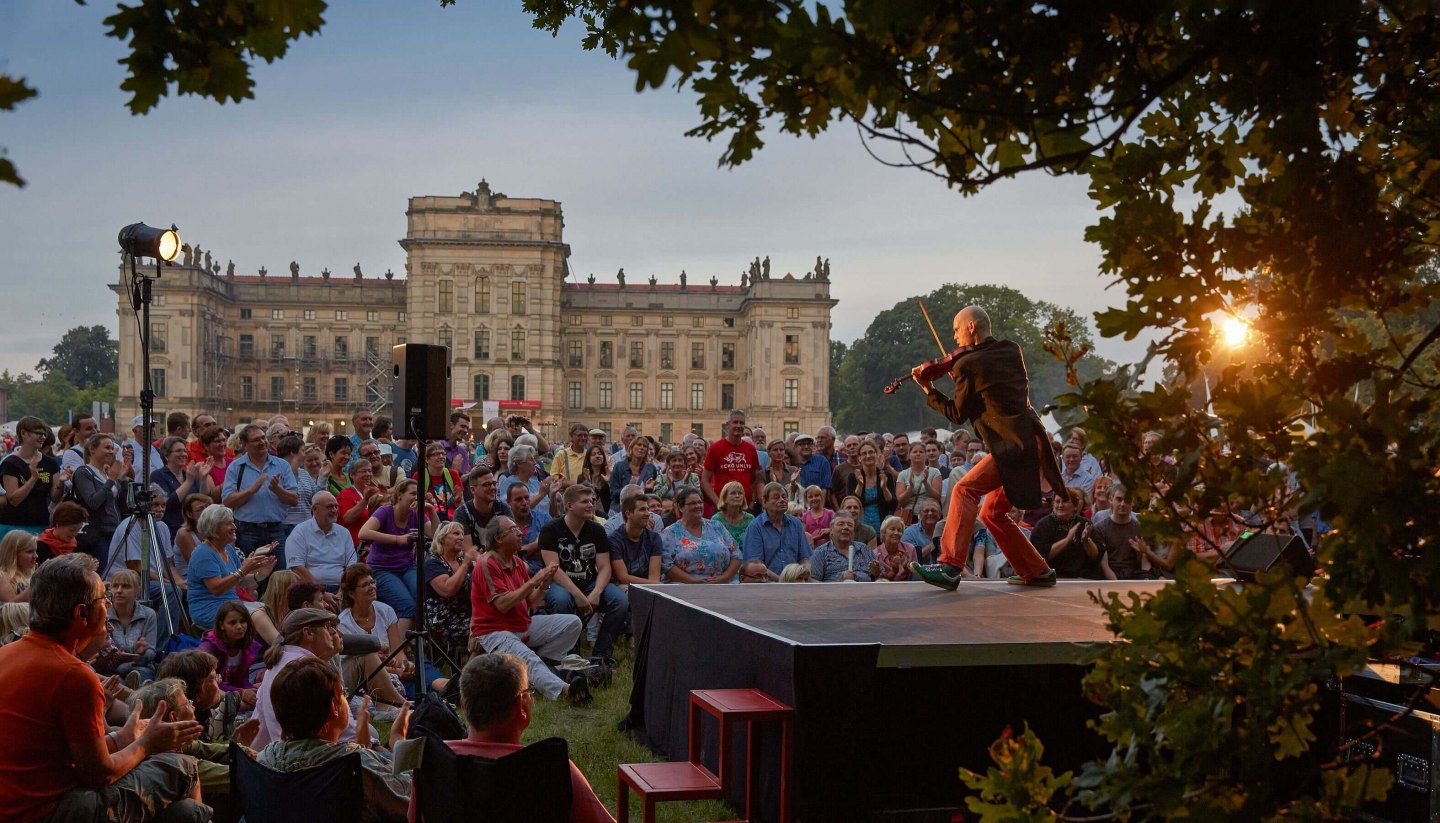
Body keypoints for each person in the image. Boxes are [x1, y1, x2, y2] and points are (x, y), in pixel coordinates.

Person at [0, 553, 207, 823]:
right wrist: (147, 744)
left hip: (15, 805)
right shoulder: (73, 675)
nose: (109, 603)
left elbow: (71, 755)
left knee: (186, 814)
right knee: (184, 767)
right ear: (82, 613)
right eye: (103, 598)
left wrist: (126, 737)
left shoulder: (7, 654)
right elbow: (100, 774)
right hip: (52, 811)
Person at [910, 306, 1066, 590]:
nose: (954, 338)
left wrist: (929, 390)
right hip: (1031, 440)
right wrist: (960, 375)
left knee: (964, 489)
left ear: (971, 328)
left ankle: (949, 566)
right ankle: (1036, 569)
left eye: (957, 330)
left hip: (1012, 446)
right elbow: (988, 386)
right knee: (991, 512)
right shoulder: (1011, 350)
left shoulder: (968, 364)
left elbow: (957, 413)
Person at [421, 653, 617, 823]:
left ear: (463, 704)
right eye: (528, 692)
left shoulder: (432, 761)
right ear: (522, 705)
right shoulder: (553, 769)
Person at [255, 657, 411, 823]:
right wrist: (399, 742)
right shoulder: (360, 766)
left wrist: (360, 747)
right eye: (343, 693)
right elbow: (413, 801)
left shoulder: (265, 760)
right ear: (333, 708)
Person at [469, 516, 588, 704]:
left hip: (522, 625)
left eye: (518, 528)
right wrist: (534, 580)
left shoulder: (517, 562)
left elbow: (531, 602)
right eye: (513, 530)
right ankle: (567, 690)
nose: (520, 533)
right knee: (528, 659)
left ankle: (545, 667)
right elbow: (503, 604)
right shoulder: (487, 564)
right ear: (498, 538)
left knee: (572, 623)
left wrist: (544, 584)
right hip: (494, 630)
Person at [250, 607, 362, 749]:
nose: (333, 632)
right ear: (308, 633)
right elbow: (346, 730)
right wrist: (372, 745)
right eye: (327, 627)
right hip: (319, 759)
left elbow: (260, 728)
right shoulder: (310, 671)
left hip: (282, 756)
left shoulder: (274, 666)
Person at [540, 484, 627, 665]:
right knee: (562, 601)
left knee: (620, 602)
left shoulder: (596, 529)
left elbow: (604, 567)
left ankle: (601, 655)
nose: (591, 505)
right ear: (570, 505)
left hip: (589, 582)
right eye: (585, 501)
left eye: (592, 501)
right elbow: (553, 569)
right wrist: (578, 595)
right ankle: (569, 656)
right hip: (560, 583)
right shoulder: (551, 529)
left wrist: (596, 591)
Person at [357, 479, 439, 639]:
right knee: (407, 606)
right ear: (400, 495)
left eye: (419, 495)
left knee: (422, 598)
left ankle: (416, 645)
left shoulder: (416, 514)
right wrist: (398, 539)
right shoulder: (385, 511)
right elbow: (363, 533)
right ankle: (397, 652)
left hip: (406, 566)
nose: (417, 498)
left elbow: (436, 536)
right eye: (413, 494)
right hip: (382, 568)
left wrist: (431, 510)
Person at [337, 563, 427, 704]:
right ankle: (402, 703)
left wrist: (404, 664)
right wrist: (395, 671)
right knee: (370, 655)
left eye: (372, 582)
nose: (372, 587)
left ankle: (443, 690)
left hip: (390, 669)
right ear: (351, 593)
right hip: (360, 679)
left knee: (418, 670)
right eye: (365, 585)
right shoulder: (343, 623)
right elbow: (358, 665)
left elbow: (397, 651)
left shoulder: (386, 611)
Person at [186, 503, 278, 631]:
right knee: (256, 615)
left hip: (231, 605)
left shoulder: (228, 548)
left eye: (233, 522)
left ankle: (268, 648)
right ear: (214, 527)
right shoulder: (203, 553)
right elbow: (217, 589)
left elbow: (240, 581)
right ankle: (279, 648)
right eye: (228, 523)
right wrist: (243, 570)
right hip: (209, 610)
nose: (234, 527)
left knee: (268, 609)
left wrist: (260, 575)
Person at [220, 424, 299, 564]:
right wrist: (252, 490)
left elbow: (294, 500)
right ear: (245, 444)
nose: (262, 442)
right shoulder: (236, 467)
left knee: (278, 578)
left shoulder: (282, 465)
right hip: (247, 532)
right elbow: (227, 501)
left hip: (276, 531)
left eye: (263, 438)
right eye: (256, 440)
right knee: (249, 578)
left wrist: (277, 490)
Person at [1, 415, 68, 539]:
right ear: (24, 433)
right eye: (38, 433)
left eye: (44, 434)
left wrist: (61, 483)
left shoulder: (50, 462)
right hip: (13, 526)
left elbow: (55, 498)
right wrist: (33, 479)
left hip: (40, 524)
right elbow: (14, 500)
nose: (43, 437)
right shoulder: (10, 463)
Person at [662, 486, 742, 584]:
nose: (698, 506)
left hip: (721, 583)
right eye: (693, 503)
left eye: (700, 502)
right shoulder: (670, 532)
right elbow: (666, 564)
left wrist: (725, 577)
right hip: (684, 586)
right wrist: (693, 581)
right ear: (680, 507)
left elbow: (736, 554)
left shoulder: (716, 526)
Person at [73, 432, 129, 568]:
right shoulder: (84, 472)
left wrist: (121, 479)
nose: (111, 452)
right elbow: (93, 502)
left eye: (112, 448)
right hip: (97, 534)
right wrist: (111, 480)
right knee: (102, 572)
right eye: (107, 448)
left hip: (115, 532)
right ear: (92, 449)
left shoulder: (106, 473)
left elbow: (119, 503)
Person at [285, 491, 360, 592]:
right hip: (310, 590)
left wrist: (342, 592)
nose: (334, 510)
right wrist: (321, 593)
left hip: (341, 588)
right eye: (329, 507)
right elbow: (297, 568)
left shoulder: (344, 532)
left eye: (336, 506)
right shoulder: (300, 532)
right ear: (315, 509)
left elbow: (351, 566)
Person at [197, 601, 264, 710]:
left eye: (243, 621)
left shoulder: (247, 645)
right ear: (221, 625)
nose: (239, 626)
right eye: (232, 623)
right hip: (212, 695)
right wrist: (241, 693)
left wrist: (251, 690)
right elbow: (208, 684)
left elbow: (244, 679)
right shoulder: (209, 648)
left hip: (233, 693)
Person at [424, 520, 476, 661]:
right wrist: (466, 563)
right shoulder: (432, 562)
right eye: (455, 533)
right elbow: (447, 590)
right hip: (444, 620)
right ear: (442, 538)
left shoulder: (461, 561)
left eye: (461, 534)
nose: (461, 537)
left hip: (467, 615)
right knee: (484, 631)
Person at [742, 482, 812, 580]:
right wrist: (783, 581)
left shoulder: (796, 524)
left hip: (796, 582)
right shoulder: (755, 527)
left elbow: (805, 558)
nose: (782, 500)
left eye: (784, 497)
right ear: (765, 502)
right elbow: (756, 565)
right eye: (776, 497)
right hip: (767, 583)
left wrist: (803, 575)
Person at [701, 409, 764, 516]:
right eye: (735, 422)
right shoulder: (715, 448)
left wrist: (753, 502)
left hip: (745, 508)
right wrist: (718, 503)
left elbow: (755, 479)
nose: (738, 425)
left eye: (741, 423)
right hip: (722, 508)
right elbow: (704, 481)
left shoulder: (750, 449)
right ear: (727, 425)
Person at [1029, 487, 1100, 579]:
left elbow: (1095, 556)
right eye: (1057, 501)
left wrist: (1086, 540)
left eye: (1065, 501)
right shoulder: (1043, 525)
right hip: (1051, 578)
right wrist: (1067, 540)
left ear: (1075, 506)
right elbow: (1040, 557)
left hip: (1081, 578)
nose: (1060, 505)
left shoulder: (1085, 524)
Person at [150, 436, 211, 538]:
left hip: (193, 530)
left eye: (184, 451)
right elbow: (168, 503)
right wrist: (188, 482)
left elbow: (203, 499)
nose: (183, 454)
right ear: (166, 456)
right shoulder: (158, 475)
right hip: (171, 531)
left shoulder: (188, 475)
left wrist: (203, 478)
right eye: (178, 451)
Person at [106, 569, 159, 684]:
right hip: (112, 669)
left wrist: (140, 653)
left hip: (140, 666)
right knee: (117, 681)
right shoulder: (104, 613)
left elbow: (151, 651)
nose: (119, 591)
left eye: (126, 586)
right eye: (115, 586)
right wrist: (114, 656)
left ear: (137, 591)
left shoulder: (148, 614)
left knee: (140, 676)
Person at [1093, 484, 1151, 580]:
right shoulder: (1100, 528)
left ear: (1133, 502)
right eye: (1119, 499)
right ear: (1111, 500)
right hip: (1109, 576)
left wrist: (1139, 554)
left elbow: (1144, 563)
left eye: (1127, 500)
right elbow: (1103, 564)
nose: (1123, 504)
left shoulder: (1141, 529)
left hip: (1134, 575)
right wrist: (1117, 584)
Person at [840, 440, 896, 537]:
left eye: (871, 452)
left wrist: (884, 488)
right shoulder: (853, 477)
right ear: (860, 458)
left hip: (882, 526)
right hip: (860, 528)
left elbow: (893, 505)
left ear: (877, 455)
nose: (868, 456)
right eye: (864, 453)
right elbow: (851, 504)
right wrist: (860, 485)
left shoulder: (886, 475)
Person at [451, 465, 512, 553]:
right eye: (486, 484)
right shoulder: (462, 513)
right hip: (473, 564)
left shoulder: (503, 509)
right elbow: (468, 551)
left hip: (500, 561)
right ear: (473, 490)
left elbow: (511, 543)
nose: (492, 488)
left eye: (494, 483)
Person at [608, 492, 663, 586]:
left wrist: (655, 585)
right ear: (628, 514)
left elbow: (654, 577)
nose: (647, 514)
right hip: (623, 585)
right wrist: (655, 584)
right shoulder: (614, 539)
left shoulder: (654, 538)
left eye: (647, 509)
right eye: (642, 510)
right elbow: (623, 578)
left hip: (650, 585)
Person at [810, 512, 879, 582]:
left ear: (853, 532)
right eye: (841, 524)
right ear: (831, 531)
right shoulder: (820, 552)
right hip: (835, 592)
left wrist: (877, 573)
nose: (846, 527)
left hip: (865, 591)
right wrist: (840, 581)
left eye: (850, 525)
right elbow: (813, 584)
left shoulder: (864, 549)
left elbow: (879, 578)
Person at [277, 434, 317, 540]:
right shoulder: (276, 472)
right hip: (285, 528)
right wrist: (292, 470)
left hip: (306, 526)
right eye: (303, 451)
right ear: (293, 453)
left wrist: (323, 478)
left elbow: (316, 497)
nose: (305, 455)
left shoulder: (304, 473)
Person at [896, 442, 943, 525]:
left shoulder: (935, 472)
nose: (918, 454)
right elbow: (900, 501)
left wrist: (925, 483)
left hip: (930, 513)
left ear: (925, 455)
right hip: (909, 516)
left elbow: (937, 497)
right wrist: (910, 487)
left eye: (921, 452)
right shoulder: (903, 474)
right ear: (909, 455)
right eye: (915, 452)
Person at [498, 444, 553, 513]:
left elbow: (552, 514)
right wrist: (540, 495)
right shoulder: (509, 484)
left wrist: (553, 494)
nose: (535, 463)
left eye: (534, 459)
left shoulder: (537, 483)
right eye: (530, 459)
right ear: (519, 463)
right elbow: (511, 510)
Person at [415, 443, 462, 518]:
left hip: (451, 521)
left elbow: (461, 504)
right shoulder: (419, 476)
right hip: (429, 520)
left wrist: (458, 500)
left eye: (443, 454)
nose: (441, 457)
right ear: (427, 460)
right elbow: (414, 503)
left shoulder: (453, 474)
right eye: (436, 454)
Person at [171, 494, 211, 580]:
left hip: (211, 573)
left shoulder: (215, 529)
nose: (205, 512)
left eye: (207, 507)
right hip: (189, 577)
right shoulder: (184, 534)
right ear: (189, 514)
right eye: (200, 509)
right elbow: (197, 565)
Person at [711, 480, 755, 547]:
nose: (737, 496)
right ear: (724, 497)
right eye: (733, 493)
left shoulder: (750, 519)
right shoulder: (716, 520)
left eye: (740, 493)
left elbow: (755, 544)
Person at [873, 516, 917, 581]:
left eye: (899, 530)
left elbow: (915, 575)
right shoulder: (875, 554)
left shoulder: (910, 549)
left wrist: (906, 567)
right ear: (884, 532)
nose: (896, 533)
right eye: (892, 529)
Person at [0, 529, 39, 602]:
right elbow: (11, 606)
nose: (36, 556)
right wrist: (38, 579)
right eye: (30, 551)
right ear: (13, 554)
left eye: (35, 551)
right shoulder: (2, 576)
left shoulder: (31, 572)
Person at [548, 424, 591, 489]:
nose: (583, 438)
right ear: (571, 437)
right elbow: (553, 478)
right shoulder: (562, 454)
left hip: (586, 494)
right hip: (568, 495)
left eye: (585, 435)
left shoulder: (589, 455)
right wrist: (567, 483)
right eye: (579, 435)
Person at [902, 498, 943, 564]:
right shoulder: (909, 533)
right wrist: (934, 544)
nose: (930, 513)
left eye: (933, 510)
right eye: (926, 511)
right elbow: (910, 558)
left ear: (940, 514)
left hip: (943, 573)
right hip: (918, 573)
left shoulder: (947, 531)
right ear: (920, 514)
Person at [579, 444, 612, 515]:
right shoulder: (582, 477)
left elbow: (613, 496)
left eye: (599, 454)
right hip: (588, 513)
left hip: (606, 514)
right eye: (593, 454)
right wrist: (587, 482)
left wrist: (608, 482)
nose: (597, 456)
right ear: (588, 459)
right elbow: (581, 497)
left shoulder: (609, 474)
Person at [443, 411, 473, 477]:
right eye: (462, 426)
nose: (466, 431)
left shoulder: (462, 452)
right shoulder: (437, 447)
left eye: (467, 428)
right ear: (451, 425)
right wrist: (454, 470)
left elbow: (462, 479)